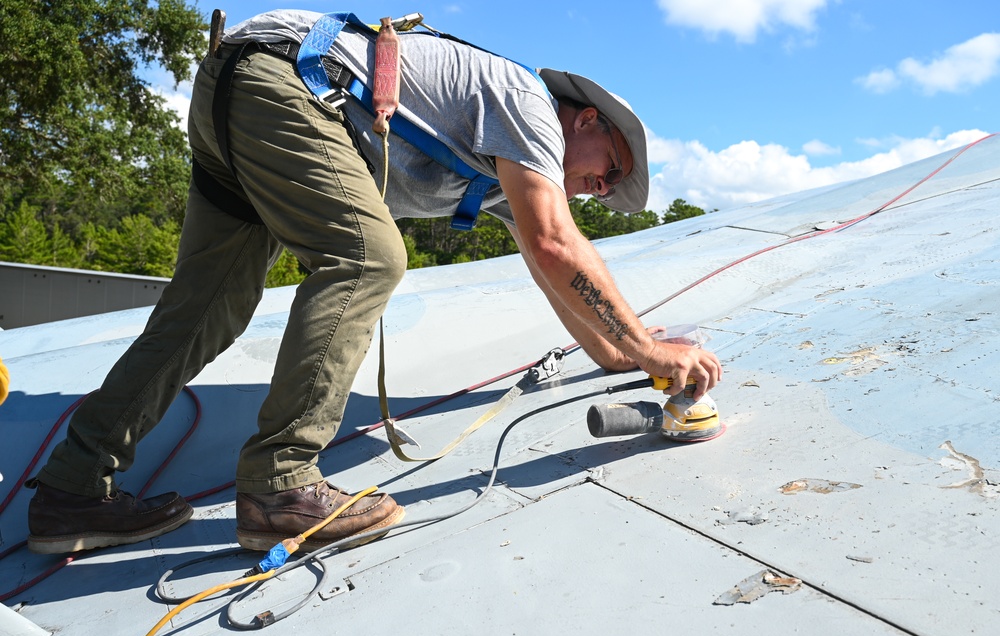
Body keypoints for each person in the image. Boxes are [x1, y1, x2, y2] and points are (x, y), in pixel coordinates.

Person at [26, 9, 722, 555]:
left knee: (207, 306)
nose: (599, 188)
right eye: (608, 168)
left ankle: (71, 487)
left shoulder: (508, 171)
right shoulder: (532, 108)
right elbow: (557, 242)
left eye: (607, 188)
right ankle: (278, 485)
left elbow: (550, 270)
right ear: (589, 119)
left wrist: (623, 354)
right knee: (370, 256)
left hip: (236, 85)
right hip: (283, 79)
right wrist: (657, 350)